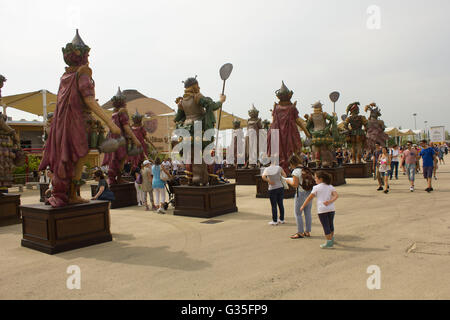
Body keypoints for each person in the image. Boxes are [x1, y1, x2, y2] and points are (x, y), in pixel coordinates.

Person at [300, 171, 339, 249]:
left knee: (326, 226)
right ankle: (331, 239)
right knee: (331, 225)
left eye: (316, 178)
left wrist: (303, 206)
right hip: (331, 208)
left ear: (320, 179)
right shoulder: (330, 186)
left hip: (322, 209)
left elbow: (309, 198)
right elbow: (336, 196)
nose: (315, 180)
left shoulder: (316, 187)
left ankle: (329, 242)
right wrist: (330, 201)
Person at [286, 155, 314, 239]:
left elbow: (295, 184)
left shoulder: (295, 171)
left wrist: (287, 181)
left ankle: (300, 232)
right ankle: (307, 231)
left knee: (298, 213)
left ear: (292, 163)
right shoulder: (306, 169)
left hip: (300, 194)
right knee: (307, 212)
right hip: (309, 192)